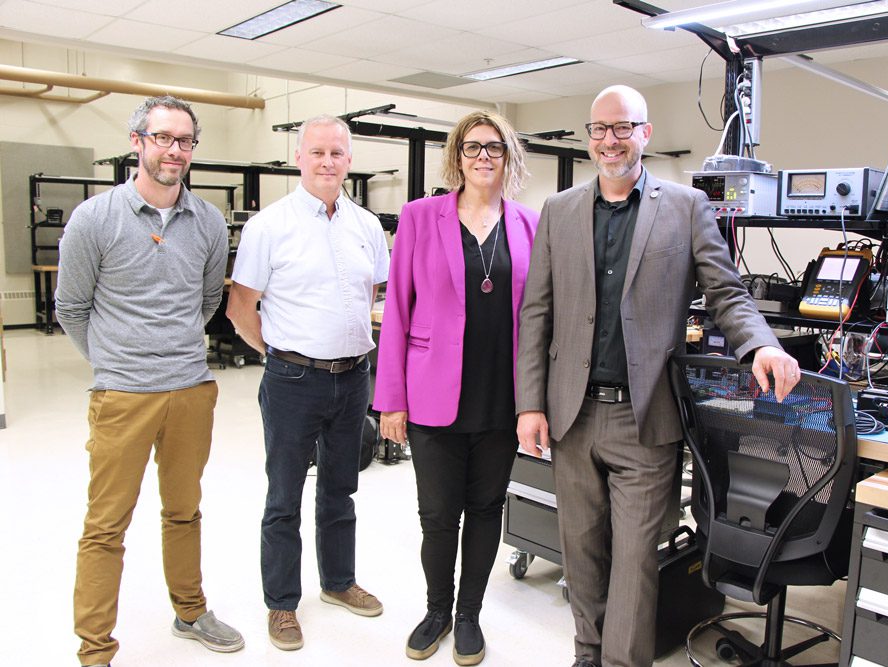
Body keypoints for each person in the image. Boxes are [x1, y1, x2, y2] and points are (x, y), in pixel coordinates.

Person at [515, 85, 801, 667]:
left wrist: (762, 346)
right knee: (582, 553)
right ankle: (587, 656)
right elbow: (536, 313)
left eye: (623, 127)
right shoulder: (560, 211)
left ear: (645, 133)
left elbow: (727, 294)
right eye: (599, 128)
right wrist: (529, 404)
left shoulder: (686, 207)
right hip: (571, 414)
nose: (610, 140)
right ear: (589, 136)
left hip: (644, 418)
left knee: (638, 560)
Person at [56, 95, 245, 667]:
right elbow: (71, 307)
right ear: (137, 142)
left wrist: (169, 354)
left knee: (184, 511)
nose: (175, 151)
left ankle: (190, 611)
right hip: (123, 396)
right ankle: (95, 650)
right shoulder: (95, 218)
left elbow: (209, 299)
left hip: (190, 391)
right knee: (106, 525)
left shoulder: (209, 221)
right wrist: (115, 364)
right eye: (163, 138)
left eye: (185, 141)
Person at [373, 110, 538, 665]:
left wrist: (537, 401)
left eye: (495, 147)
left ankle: (470, 615)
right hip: (431, 394)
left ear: (508, 156)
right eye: (473, 148)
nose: (483, 156)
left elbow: (541, 317)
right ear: (457, 156)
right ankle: (437, 610)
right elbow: (396, 309)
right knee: (438, 513)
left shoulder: (529, 224)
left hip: (502, 396)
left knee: (488, 508)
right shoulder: (421, 217)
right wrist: (390, 398)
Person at [227, 114, 390, 651]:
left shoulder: (366, 226)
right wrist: (277, 353)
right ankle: (281, 604)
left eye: (337, 154)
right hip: (293, 379)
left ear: (348, 160)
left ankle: (339, 582)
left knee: (341, 488)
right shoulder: (268, 226)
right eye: (317, 152)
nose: (327, 162)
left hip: (354, 377)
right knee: (284, 497)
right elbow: (240, 308)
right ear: (299, 158)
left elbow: (373, 297)